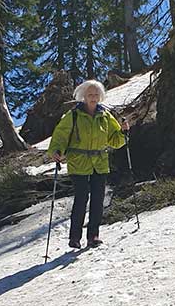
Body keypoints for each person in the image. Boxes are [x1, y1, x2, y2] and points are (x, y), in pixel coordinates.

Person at [47, 79, 129, 249]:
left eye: (96, 94)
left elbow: (115, 141)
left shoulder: (106, 116)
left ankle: (93, 236)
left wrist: (123, 131)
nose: (93, 97)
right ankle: (74, 238)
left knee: (98, 200)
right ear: (83, 96)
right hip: (79, 163)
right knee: (81, 198)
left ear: (100, 96)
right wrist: (56, 150)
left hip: (99, 163)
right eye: (90, 94)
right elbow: (61, 135)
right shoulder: (73, 115)